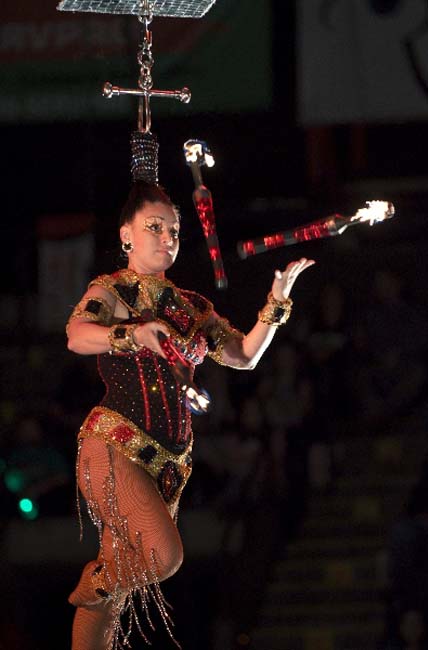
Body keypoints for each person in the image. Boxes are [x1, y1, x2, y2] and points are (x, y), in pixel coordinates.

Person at [66, 180, 315, 650]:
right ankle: (91, 582)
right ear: (126, 235)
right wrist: (131, 335)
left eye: (174, 231)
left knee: (114, 592)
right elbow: (77, 336)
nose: (167, 238)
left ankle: (95, 597)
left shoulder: (192, 307)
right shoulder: (113, 290)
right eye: (154, 227)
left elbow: (244, 355)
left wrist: (276, 302)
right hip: (114, 445)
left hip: (168, 464)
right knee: (162, 557)